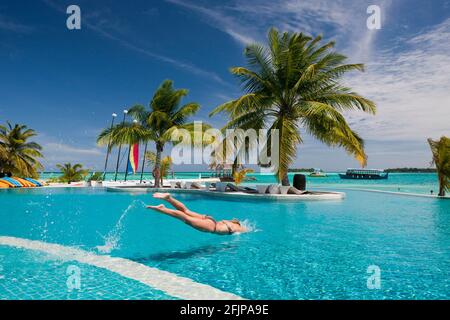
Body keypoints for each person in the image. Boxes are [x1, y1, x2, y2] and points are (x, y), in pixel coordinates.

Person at [147, 193, 247, 235]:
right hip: (212, 227)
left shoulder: (230, 222)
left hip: (210, 219)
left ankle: (169, 199)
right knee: (184, 217)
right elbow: (240, 231)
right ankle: (163, 209)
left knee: (186, 211)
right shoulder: (238, 229)